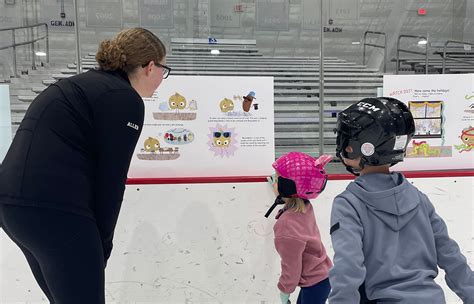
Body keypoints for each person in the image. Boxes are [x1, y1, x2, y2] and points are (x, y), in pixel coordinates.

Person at [0, 27, 170, 303]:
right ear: (151, 66)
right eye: (164, 69)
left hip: (12, 207)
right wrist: (101, 246)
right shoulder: (124, 98)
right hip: (54, 209)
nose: (163, 77)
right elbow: (111, 180)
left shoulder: (84, 85)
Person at [329, 97, 474, 303]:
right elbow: (451, 256)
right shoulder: (418, 198)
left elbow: (348, 267)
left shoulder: (348, 204)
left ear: (359, 147)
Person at [265, 152, 333, 304]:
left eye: (276, 180)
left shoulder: (286, 226)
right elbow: (295, 200)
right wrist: (280, 190)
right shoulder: (305, 207)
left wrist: (284, 290)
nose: (274, 182)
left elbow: (291, 267)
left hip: (313, 283)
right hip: (321, 277)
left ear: (287, 187)